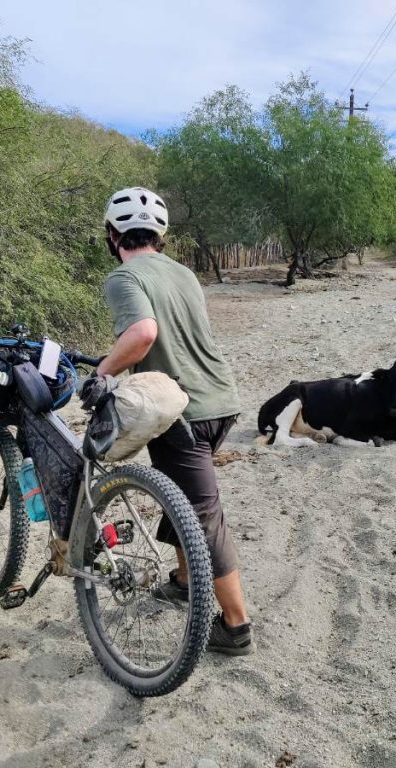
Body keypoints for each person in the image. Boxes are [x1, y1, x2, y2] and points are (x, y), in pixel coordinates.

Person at [93, 186, 252, 655]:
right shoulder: (183, 272)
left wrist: (103, 373)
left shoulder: (124, 277)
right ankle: (184, 580)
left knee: (203, 517)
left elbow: (143, 334)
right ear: (160, 235)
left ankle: (236, 626)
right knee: (179, 491)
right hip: (222, 399)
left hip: (182, 410)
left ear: (111, 234)